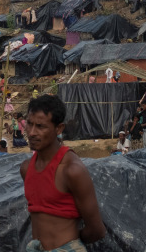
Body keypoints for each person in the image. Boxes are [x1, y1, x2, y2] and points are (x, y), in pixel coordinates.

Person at [21, 95, 105, 251]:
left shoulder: (71, 170)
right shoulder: (26, 169)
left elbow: (96, 230)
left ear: (59, 128)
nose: (32, 132)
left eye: (40, 126)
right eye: (29, 124)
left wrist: (69, 246)